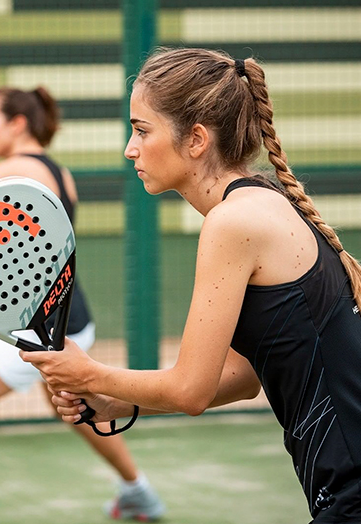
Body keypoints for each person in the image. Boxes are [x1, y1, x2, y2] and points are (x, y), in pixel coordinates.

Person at [24, 47, 361, 523]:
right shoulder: (261, 202)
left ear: (197, 139)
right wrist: (114, 401)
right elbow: (243, 377)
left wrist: (88, 375)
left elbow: (191, 390)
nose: (130, 148)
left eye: (142, 130)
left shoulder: (231, 223)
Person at [0, 86, 165, 522]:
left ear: (16, 124)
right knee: (76, 409)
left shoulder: (15, 169)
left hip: (35, 327)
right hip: (69, 316)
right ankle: (139, 492)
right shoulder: (59, 171)